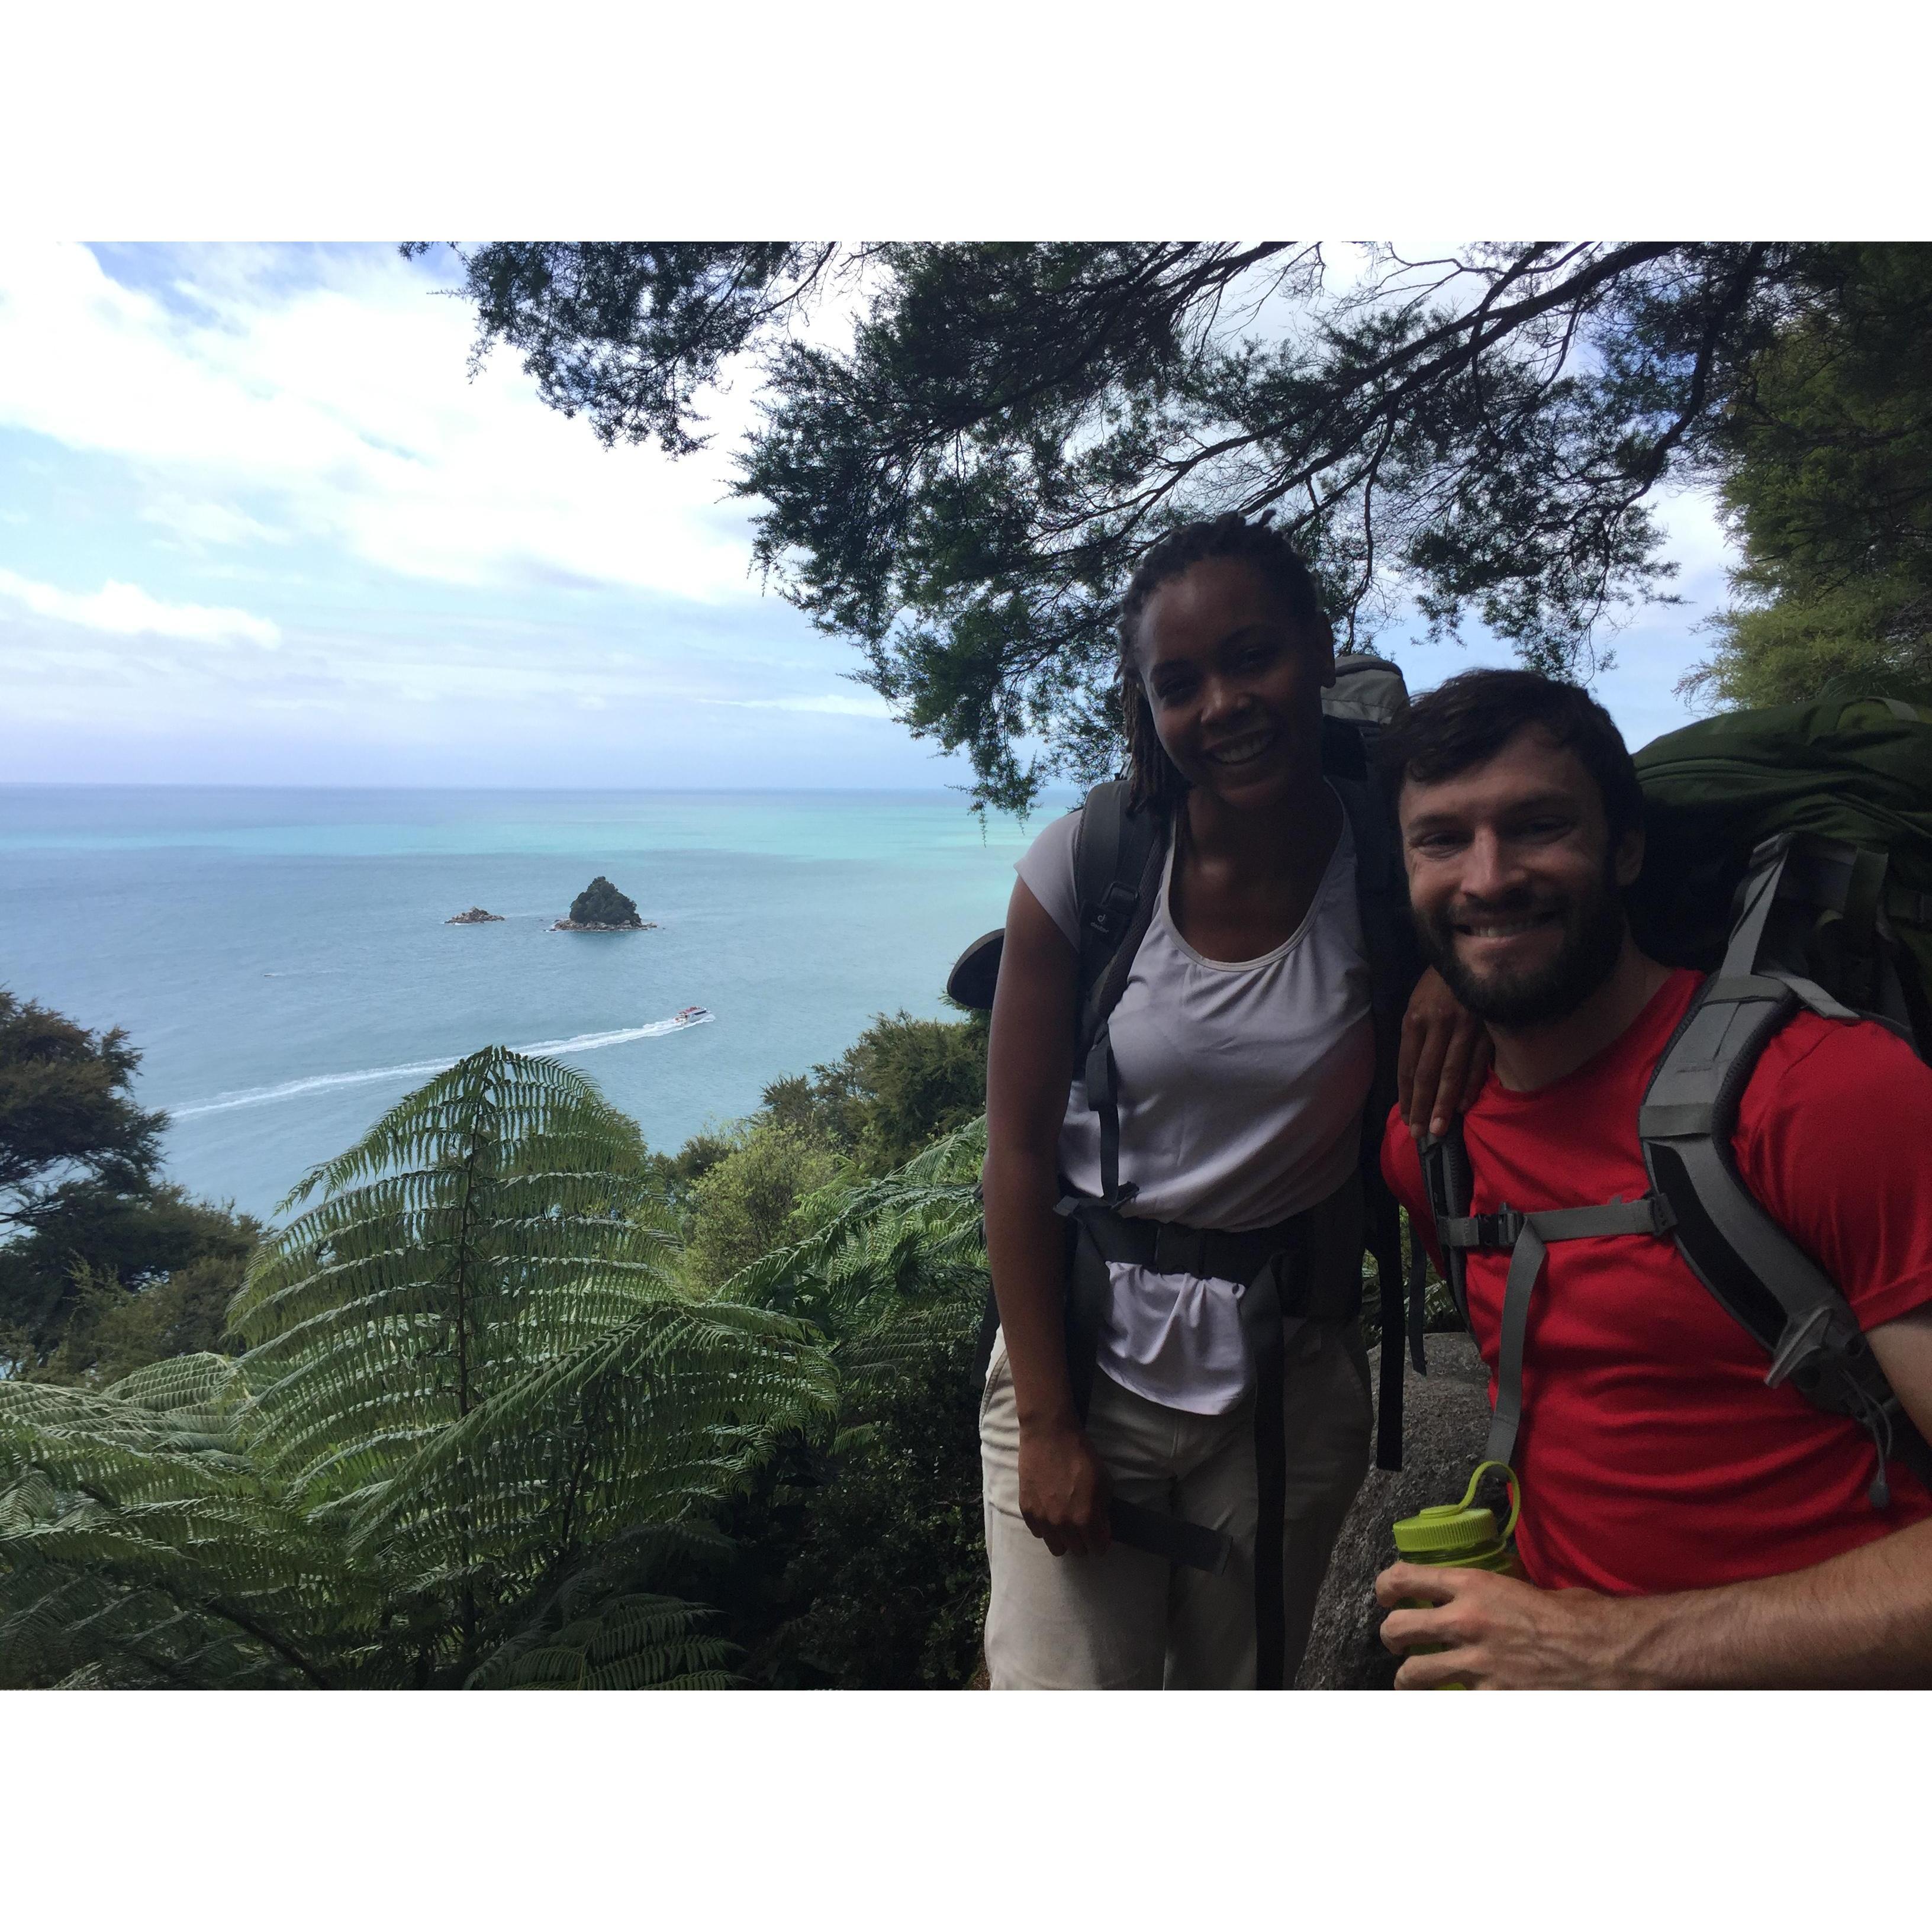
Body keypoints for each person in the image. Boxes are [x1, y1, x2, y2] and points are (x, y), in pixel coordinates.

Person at [979, 514, 1486, 1689]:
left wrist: (1461, 978)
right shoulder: (1085, 867)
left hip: (1287, 1381)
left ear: (1316, 647)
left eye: (1252, 657)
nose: (1223, 705)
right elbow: (1013, 1156)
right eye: (1180, 683)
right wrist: (1049, 1426)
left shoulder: (1401, 865)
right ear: (1147, 706)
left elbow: (1553, 884)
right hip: (1082, 1362)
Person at [1374, 668, 1932, 1688]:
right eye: (1442, 840)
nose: (1488, 878)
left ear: (1626, 847)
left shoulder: (1823, 1096)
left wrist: (1617, 1651)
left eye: (1537, 826)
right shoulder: (1431, 1147)